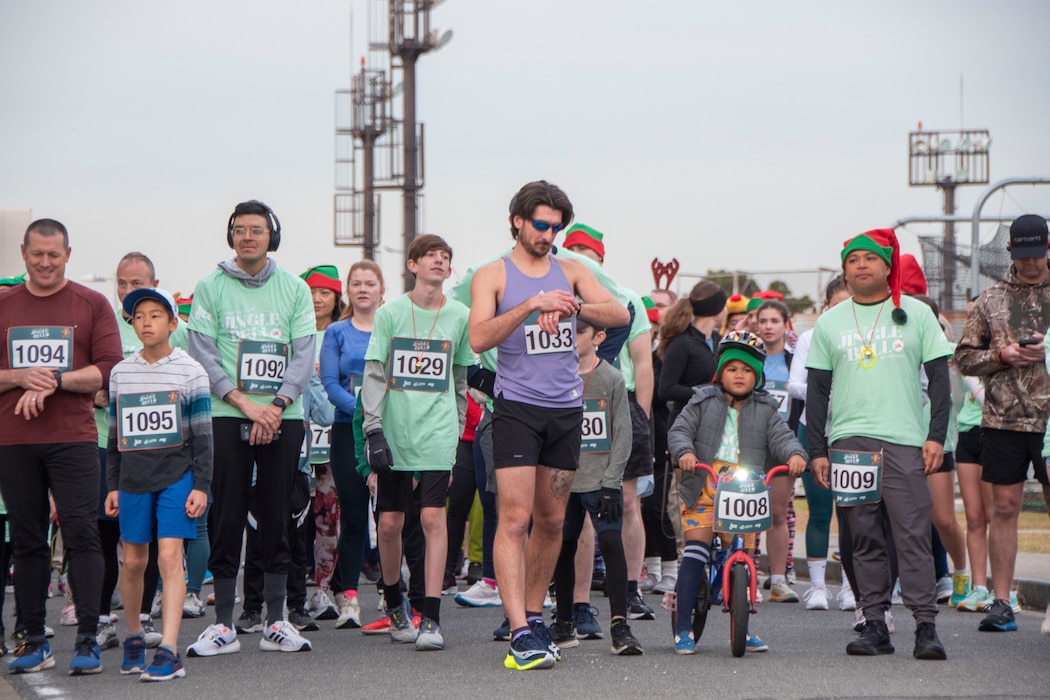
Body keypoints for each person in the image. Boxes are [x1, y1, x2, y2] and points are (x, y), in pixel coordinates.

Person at [469, 180, 629, 670]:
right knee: (515, 519)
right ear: (517, 220)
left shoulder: (573, 270)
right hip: (516, 408)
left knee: (554, 521)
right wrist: (531, 306)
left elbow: (621, 312)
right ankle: (518, 629)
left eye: (557, 227)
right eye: (541, 224)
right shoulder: (492, 274)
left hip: (565, 409)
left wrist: (572, 304)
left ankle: (535, 616)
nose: (549, 234)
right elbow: (478, 337)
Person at [807, 228, 952, 660]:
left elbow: (941, 380)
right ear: (845, 270)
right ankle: (874, 624)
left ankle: (925, 627)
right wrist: (817, 449)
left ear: (888, 268)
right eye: (853, 260)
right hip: (849, 442)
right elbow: (817, 391)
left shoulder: (917, 314)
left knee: (912, 536)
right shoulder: (830, 322)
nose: (861, 266)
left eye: (870, 259)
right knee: (862, 536)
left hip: (906, 441)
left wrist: (935, 437)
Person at [186, 200, 314, 655]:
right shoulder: (210, 286)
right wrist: (244, 404)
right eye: (239, 230)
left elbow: (303, 354)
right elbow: (202, 351)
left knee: (278, 514)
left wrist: (275, 406)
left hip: (284, 415)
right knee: (227, 515)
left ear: (271, 236)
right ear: (230, 236)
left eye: (256, 230)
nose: (247, 237)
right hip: (225, 414)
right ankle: (222, 623)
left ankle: (276, 621)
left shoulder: (294, 288)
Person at [0, 218, 123, 674]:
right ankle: (33, 640)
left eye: (54, 254)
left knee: (82, 535)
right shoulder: (4, 305)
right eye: (37, 254)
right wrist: (19, 377)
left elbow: (109, 369)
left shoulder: (91, 304)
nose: (46, 262)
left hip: (73, 440)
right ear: (23, 253)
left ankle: (88, 637)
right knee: (28, 541)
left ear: (68, 254)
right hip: (13, 441)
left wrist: (55, 380)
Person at [362, 234, 473, 651]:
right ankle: (395, 605)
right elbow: (374, 373)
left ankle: (431, 618)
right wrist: (373, 429)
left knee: (432, 519)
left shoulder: (459, 315)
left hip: (438, 432)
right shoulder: (390, 313)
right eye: (431, 256)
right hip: (394, 429)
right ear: (412, 264)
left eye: (446, 257)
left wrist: (458, 426)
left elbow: (460, 378)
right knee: (390, 523)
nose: (440, 262)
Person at [667, 331, 806, 654]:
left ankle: (742, 625)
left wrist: (795, 455)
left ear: (757, 375)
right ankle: (683, 625)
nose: (739, 375)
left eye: (747, 370)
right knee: (696, 550)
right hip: (704, 484)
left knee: (742, 554)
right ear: (721, 371)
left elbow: (783, 437)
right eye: (732, 369)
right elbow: (680, 430)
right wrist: (685, 452)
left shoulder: (767, 408)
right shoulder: (702, 400)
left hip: (745, 490)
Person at [104, 288, 211, 681]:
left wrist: (201, 484)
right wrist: (112, 484)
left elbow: (203, 435)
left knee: (169, 557)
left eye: (155, 315)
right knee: (133, 561)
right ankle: (135, 635)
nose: (146, 323)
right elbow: (115, 435)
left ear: (173, 322)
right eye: (139, 316)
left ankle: (168, 648)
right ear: (130, 324)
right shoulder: (121, 372)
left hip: (177, 476)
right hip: (132, 478)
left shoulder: (191, 371)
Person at [954, 214, 1050, 632]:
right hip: (1003, 420)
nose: (1032, 263)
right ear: (1010, 251)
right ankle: (1001, 601)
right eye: (1024, 255)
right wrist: (1002, 357)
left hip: (1049, 422)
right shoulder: (990, 299)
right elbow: (963, 357)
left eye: (1039, 254)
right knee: (1005, 508)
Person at [562, 224, 659, 614]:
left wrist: (641, 420)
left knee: (629, 501)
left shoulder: (625, 299)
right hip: (569, 403)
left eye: (591, 255)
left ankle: (631, 588)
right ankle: (577, 597)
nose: (584, 260)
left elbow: (642, 363)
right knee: (577, 505)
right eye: (575, 254)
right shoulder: (558, 300)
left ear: (601, 262)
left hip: (619, 402)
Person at [550, 318, 642, 655]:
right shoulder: (555, 375)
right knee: (563, 547)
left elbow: (623, 434)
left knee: (610, 542)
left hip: (601, 479)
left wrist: (611, 481)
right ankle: (563, 623)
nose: (571, 338)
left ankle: (620, 625)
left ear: (599, 337)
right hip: (564, 480)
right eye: (566, 332)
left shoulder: (611, 378)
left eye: (579, 332)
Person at [319, 260, 385, 629]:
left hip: (389, 431)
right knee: (355, 516)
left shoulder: (392, 328)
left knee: (390, 515)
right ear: (348, 291)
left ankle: (393, 594)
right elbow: (329, 383)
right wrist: (363, 413)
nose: (363, 289)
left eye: (369, 283)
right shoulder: (336, 333)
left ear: (381, 290)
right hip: (348, 430)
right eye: (356, 283)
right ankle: (348, 598)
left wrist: (381, 416)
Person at [787, 276, 852, 612]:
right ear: (826, 306)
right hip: (813, 429)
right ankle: (815, 586)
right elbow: (795, 384)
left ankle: (851, 586)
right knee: (819, 509)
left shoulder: (862, 339)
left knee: (853, 512)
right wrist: (824, 389)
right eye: (836, 305)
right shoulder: (811, 338)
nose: (843, 311)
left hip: (852, 430)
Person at [298, 265, 344, 623]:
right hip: (294, 440)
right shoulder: (294, 333)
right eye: (311, 291)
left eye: (324, 292)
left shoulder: (341, 334)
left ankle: (324, 589)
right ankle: (293, 590)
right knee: (295, 517)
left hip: (332, 439)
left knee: (329, 518)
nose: (317, 299)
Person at [754, 299, 802, 603]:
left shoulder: (794, 361)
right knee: (745, 513)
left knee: (777, 513)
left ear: (786, 325)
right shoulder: (750, 358)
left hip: (782, 444)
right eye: (763, 321)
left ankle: (778, 579)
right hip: (750, 445)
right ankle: (744, 575)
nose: (769, 326)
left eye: (775, 321)